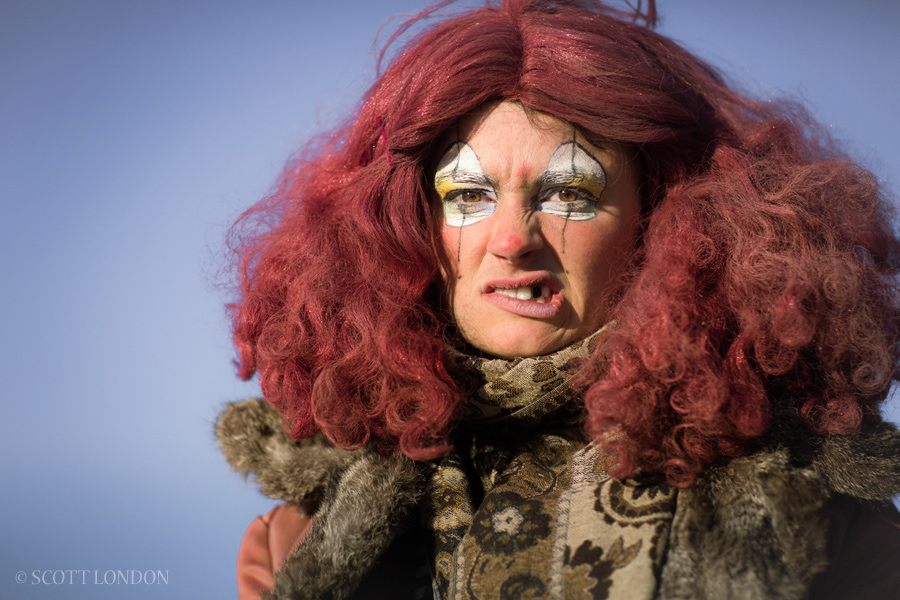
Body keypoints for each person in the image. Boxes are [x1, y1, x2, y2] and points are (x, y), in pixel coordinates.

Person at [215, 1, 900, 598]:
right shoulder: (298, 543)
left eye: (570, 193)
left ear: (668, 223)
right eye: (468, 196)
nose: (512, 239)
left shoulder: (824, 527)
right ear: (403, 225)